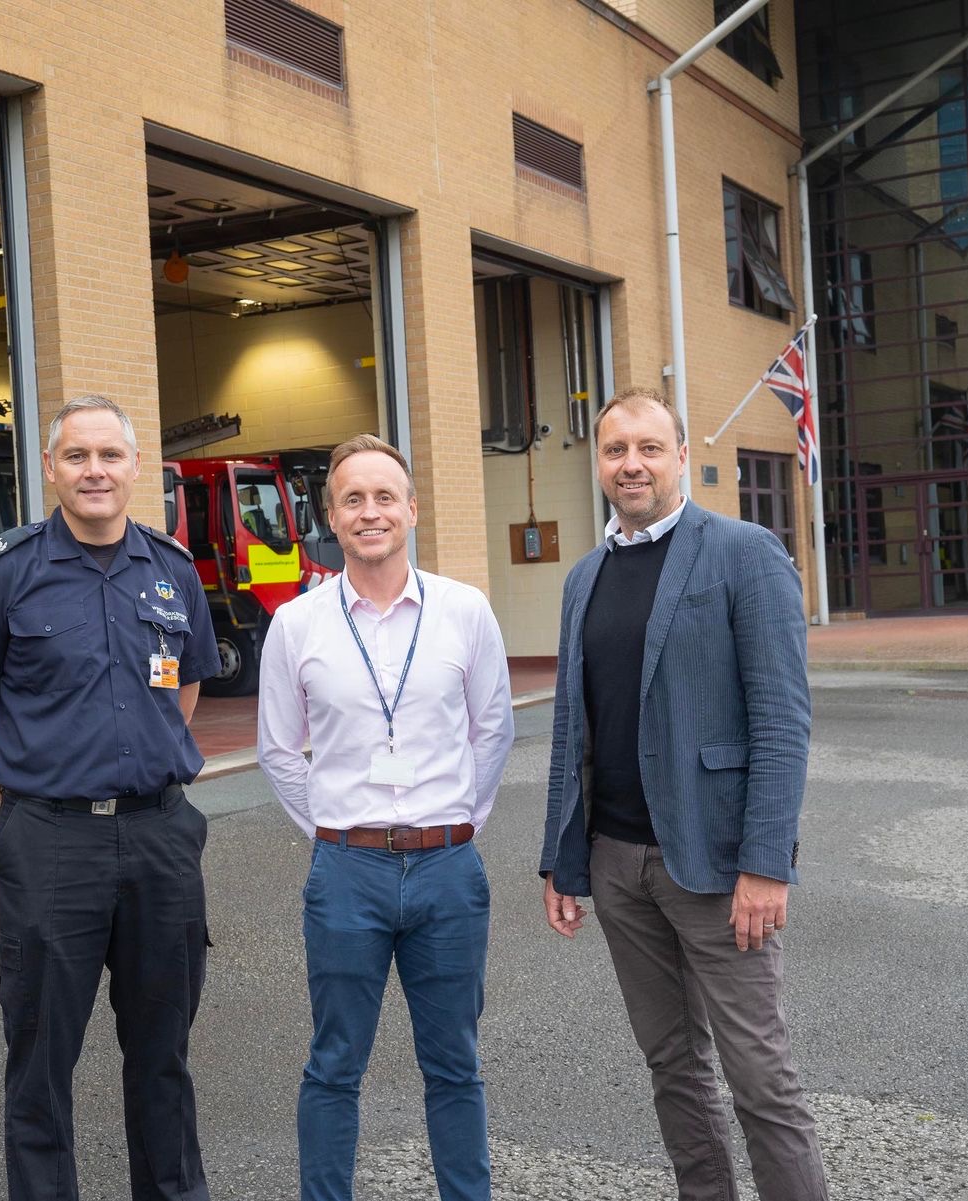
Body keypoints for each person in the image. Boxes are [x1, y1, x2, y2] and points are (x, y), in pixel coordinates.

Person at [539, 386, 828, 1201]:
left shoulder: (743, 552)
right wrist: (564, 861)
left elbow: (781, 719)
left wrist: (767, 861)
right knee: (673, 1067)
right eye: (615, 450)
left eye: (649, 447)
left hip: (718, 863)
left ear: (677, 454)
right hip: (618, 865)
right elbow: (573, 729)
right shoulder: (582, 579)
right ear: (599, 462)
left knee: (760, 1080)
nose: (631, 463)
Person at [0, 394, 220, 1201]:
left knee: (163, 1052)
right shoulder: (3, 571)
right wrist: (37, 799)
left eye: (110, 455)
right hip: (50, 844)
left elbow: (185, 690)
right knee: (40, 1058)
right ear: (51, 469)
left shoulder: (172, 569)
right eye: (76, 456)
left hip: (162, 838)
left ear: (138, 468)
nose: (94, 470)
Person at [257, 434, 515, 1201]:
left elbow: (493, 730)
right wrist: (337, 834)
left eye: (383, 497)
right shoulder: (296, 625)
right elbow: (278, 750)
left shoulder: (465, 611)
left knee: (455, 1063)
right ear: (331, 517)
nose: (370, 512)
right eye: (352, 499)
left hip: (447, 869)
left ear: (410, 508)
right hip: (346, 874)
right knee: (334, 1063)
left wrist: (454, 823)